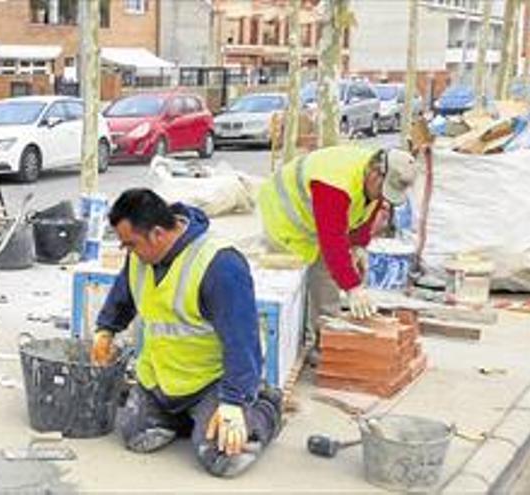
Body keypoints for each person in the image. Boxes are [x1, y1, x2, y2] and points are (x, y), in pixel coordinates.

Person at [91, 189, 282, 478]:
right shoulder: (139, 257)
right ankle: (191, 419)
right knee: (136, 436)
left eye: (131, 244)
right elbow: (123, 295)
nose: (128, 251)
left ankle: (264, 406)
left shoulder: (220, 265)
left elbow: (242, 341)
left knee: (225, 459)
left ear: (157, 234)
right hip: (161, 379)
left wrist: (234, 402)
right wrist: (105, 330)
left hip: (210, 382)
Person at [257, 145, 419, 330]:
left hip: (319, 220)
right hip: (285, 217)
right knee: (291, 289)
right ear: (375, 175)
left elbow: (367, 209)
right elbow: (332, 243)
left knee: (326, 280)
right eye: (384, 190)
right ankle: (288, 341)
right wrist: (353, 288)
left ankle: (325, 339)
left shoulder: (372, 176)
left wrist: (358, 245)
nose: (384, 198)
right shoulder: (335, 185)